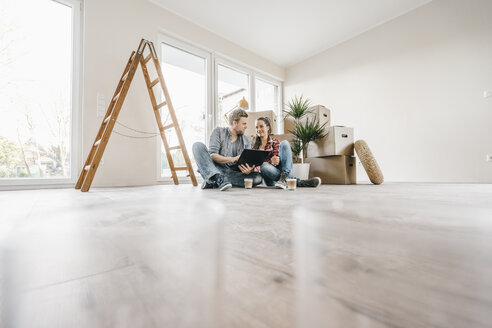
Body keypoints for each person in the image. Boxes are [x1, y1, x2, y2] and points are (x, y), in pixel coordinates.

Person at [192, 109, 262, 191]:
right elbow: (213, 155)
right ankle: (218, 177)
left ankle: (214, 180)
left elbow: (247, 162)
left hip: (233, 173)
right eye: (244, 124)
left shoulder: (246, 141)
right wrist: (233, 159)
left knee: (258, 177)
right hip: (216, 167)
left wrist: (248, 169)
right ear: (235, 123)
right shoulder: (218, 132)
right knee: (197, 146)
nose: (246, 126)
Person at [252, 117, 321, 189]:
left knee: (285, 143)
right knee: (263, 166)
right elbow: (256, 167)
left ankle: (284, 178)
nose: (258, 129)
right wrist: (270, 162)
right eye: (256, 127)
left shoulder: (275, 142)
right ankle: (299, 182)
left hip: (279, 171)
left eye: (261, 126)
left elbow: (282, 161)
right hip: (269, 178)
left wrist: (276, 160)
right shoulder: (254, 146)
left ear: (268, 127)